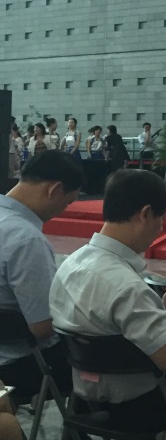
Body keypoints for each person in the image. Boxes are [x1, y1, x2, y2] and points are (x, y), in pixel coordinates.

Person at [50, 169, 166, 440]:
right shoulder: (125, 284)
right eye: (160, 220)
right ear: (145, 214)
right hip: (140, 406)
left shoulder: (71, 263)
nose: (160, 228)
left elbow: (105, 323)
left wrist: (161, 310)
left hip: (84, 397)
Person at [0, 151, 83, 409]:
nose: (62, 210)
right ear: (54, 190)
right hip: (18, 363)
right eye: (67, 202)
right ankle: (82, 431)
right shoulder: (26, 239)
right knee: (99, 359)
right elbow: (42, 326)